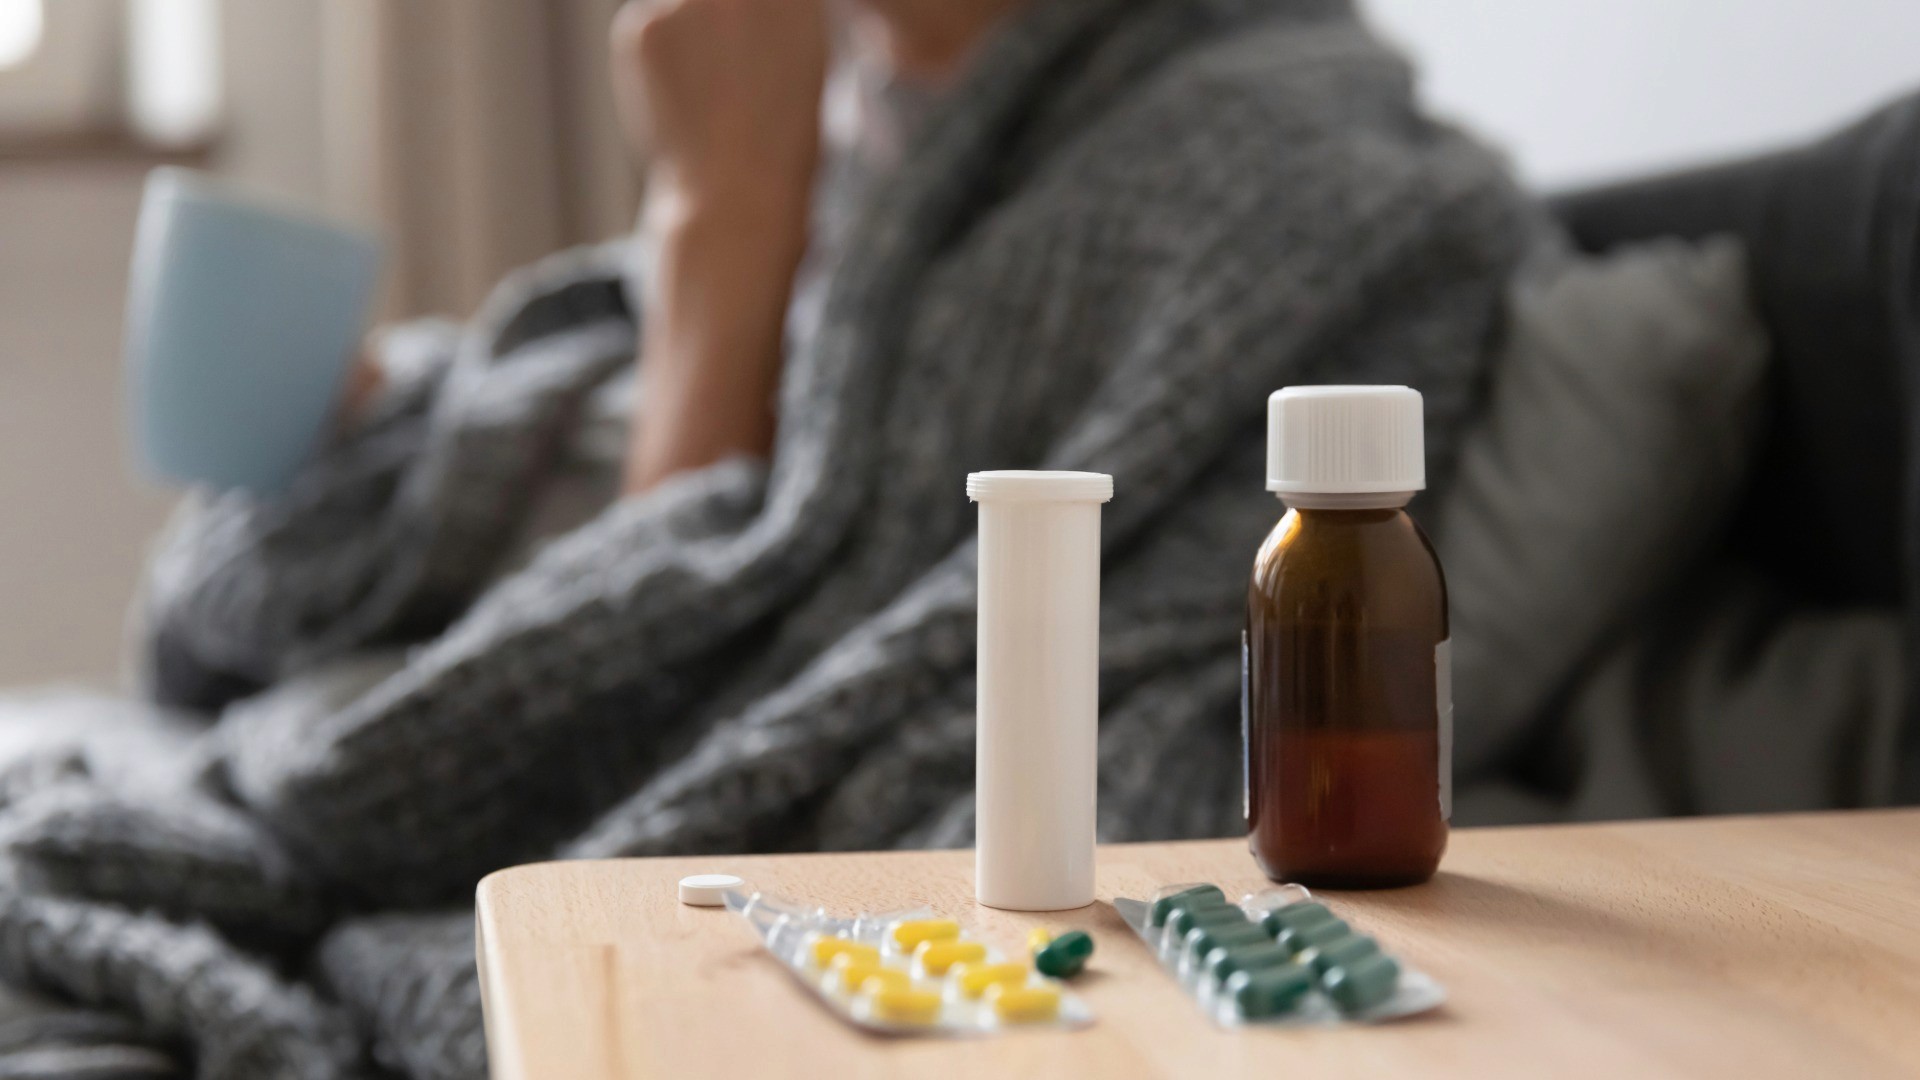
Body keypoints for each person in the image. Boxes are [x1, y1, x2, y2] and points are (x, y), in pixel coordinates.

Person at [0, 0, 1534, 1075]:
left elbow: (679, 655)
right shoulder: (849, 107)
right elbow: (279, 599)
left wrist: (718, 214)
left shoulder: (1252, 160)